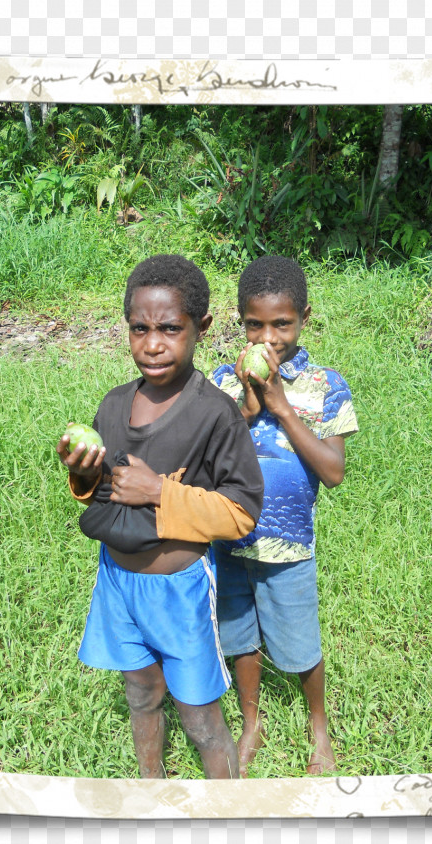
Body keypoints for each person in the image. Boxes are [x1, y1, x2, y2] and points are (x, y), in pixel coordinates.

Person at [56, 254, 263, 780]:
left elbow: (241, 513)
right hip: (117, 585)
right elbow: (106, 492)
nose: (153, 344)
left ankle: (229, 812)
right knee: (142, 695)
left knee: (200, 720)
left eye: (170, 328)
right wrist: (83, 476)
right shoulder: (113, 404)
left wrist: (159, 492)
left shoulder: (215, 414)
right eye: (140, 329)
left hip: (178, 592)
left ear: (202, 328)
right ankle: (151, 792)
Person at [211, 255, 359, 777]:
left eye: (282, 324)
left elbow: (333, 470)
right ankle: (252, 723)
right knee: (241, 638)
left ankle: (318, 726)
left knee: (300, 644)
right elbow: (208, 455)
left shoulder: (325, 384)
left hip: (290, 545)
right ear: (240, 321)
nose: (269, 336)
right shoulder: (223, 382)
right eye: (255, 324)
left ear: (304, 318)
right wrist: (245, 410)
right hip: (228, 540)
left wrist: (281, 407)